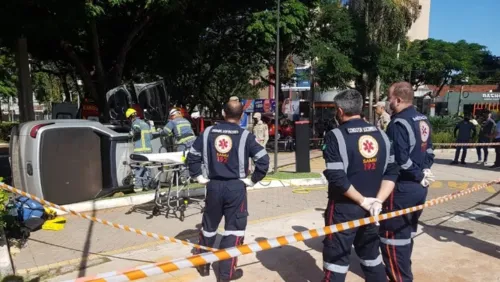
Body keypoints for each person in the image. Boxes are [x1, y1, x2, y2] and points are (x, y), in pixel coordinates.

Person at [187, 100, 270, 282]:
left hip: (213, 186)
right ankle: (226, 273)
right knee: (234, 230)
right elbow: (263, 160)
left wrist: (198, 176)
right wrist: (252, 180)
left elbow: (192, 156)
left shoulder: (207, 132)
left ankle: (203, 264)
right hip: (236, 188)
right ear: (241, 117)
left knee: (209, 227)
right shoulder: (245, 136)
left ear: (223, 113)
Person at [321, 89, 399, 282]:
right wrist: (377, 201)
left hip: (344, 208)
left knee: (336, 259)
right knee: (371, 255)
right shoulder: (381, 134)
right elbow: (392, 172)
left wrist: (362, 200)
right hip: (374, 208)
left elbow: (337, 178)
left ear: (339, 111)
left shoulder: (335, 136)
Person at [373, 82, 435, 282]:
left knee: (392, 239)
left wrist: (418, 174)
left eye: (389, 98)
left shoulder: (398, 123)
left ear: (398, 99)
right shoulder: (422, 119)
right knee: (405, 235)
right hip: (419, 188)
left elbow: (399, 160)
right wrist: (425, 171)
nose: (388, 102)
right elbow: (430, 150)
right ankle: (404, 271)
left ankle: (401, 278)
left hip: (401, 188)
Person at [126, 108, 154, 190]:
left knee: (138, 167)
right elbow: (151, 136)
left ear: (130, 117)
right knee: (147, 167)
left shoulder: (135, 123)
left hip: (140, 149)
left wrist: (131, 134)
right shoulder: (145, 123)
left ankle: (138, 186)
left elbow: (136, 130)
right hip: (148, 149)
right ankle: (147, 185)